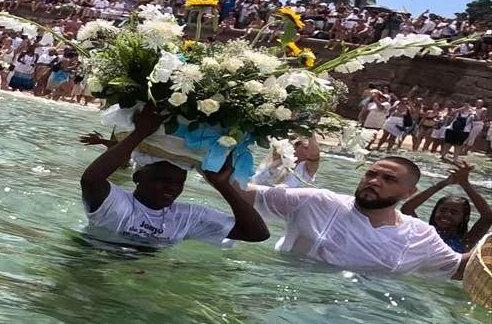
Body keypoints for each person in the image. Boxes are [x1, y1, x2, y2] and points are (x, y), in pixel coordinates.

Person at [80, 105, 269, 249]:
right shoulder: (117, 202)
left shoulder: (186, 218)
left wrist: (223, 186)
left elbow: (256, 234)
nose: (172, 187)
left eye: (179, 182)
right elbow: (90, 180)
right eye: (162, 180)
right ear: (138, 177)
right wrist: (140, 133)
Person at [252, 156, 465, 277]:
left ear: (409, 192)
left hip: (361, 314)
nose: (374, 181)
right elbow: (245, 193)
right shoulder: (318, 202)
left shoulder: (421, 235)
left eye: (389, 179)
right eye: (371, 174)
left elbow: (459, 268)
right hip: (287, 284)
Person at [398, 162, 491, 254]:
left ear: (465, 218)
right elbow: (407, 209)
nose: (446, 214)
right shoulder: (422, 232)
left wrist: (465, 184)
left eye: (454, 212)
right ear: (435, 212)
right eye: (442, 210)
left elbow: (488, 217)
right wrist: (442, 184)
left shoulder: (466, 241)